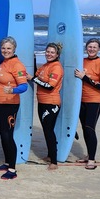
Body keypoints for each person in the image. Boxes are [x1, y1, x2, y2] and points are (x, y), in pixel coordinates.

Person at [0, 36, 29, 180]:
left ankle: (12, 170)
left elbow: (24, 86)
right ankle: (7, 163)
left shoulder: (17, 65)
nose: (6, 51)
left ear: (14, 49)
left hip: (9, 105)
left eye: (9, 48)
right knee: (2, 134)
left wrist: (12, 91)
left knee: (8, 135)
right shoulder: (4, 63)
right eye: (3, 48)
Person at [74, 38, 100, 170]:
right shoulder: (81, 61)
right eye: (90, 47)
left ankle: (92, 160)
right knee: (84, 128)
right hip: (80, 100)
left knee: (90, 128)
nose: (92, 49)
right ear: (86, 48)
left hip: (94, 101)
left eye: (95, 47)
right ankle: (89, 155)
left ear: (99, 49)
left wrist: (85, 78)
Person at [30, 42, 64, 171]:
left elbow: (50, 86)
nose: (49, 54)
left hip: (51, 103)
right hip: (42, 102)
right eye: (47, 51)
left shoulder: (56, 67)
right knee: (46, 130)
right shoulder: (45, 66)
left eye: (52, 52)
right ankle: (50, 155)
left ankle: (54, 162)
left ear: (57, 54)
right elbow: (35, 74)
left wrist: (33, 79)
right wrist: (33, 59)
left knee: (49, 131)